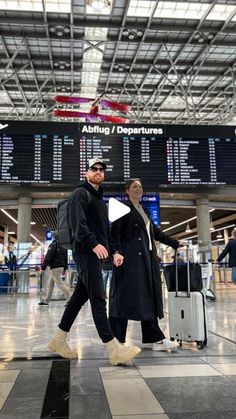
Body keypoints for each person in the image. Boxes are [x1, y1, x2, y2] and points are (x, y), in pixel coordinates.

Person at [47, 158, 141, 365]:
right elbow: (77, 225)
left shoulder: (99, 199)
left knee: (79, 298)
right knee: (98, 299)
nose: (99, 172)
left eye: (101, 170)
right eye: (94, 169)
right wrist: (93, 244)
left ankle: (58, 339)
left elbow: (105, 231)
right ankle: (113, 348)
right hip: (85, 253)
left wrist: (113, 251)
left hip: (95, 254)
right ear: (86, 173)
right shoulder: (80, 194)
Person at [109, 178, 182, 351]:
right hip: (128, 260)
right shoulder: (121, 208)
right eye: (134, 187)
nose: (138, 189)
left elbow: (155, 233)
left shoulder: (144, 210)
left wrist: (175, 243)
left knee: (148, 296)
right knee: (124, 297)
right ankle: (116, 341)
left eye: (140, 187)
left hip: (146, 260)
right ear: (127, 190)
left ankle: (154, 339)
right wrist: (116, 252)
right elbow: (113, 235)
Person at [38, 231, 71, 306]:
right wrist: (64, 269)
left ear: (54, 237)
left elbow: (48, 257)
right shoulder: (64, 246)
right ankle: (46, 300)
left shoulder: (53, 245)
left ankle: (70, 298)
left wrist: (43, 268)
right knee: (50, 284)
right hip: (60, 267)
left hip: (55, 267)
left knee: (59, 284)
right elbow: (66, 259)